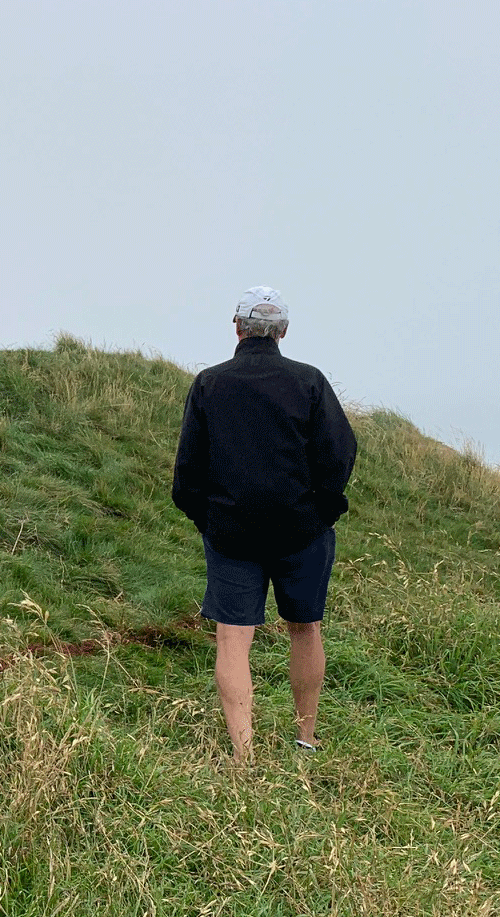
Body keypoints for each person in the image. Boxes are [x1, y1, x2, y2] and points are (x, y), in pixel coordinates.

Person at [171, 286, 357, 762]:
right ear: (284, 331)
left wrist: (207, 519)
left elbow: (188, 469)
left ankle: (243, 756)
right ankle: (306, 739)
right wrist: (321, 512)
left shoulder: (210, 384)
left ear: (237, 327)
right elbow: (339, 454)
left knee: (234, 638)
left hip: (231, 534)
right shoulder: (310, 382)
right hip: (303, 532)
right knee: (306, 629)